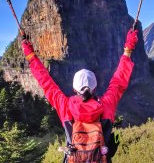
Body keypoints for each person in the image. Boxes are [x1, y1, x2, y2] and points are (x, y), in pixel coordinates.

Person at [21, 28, 138, 162]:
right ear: (94, 87)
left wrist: (31, 56)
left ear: (74, 88)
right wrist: (128, 50)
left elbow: (46, 82)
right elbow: (118, 82)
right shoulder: (106, 104)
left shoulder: (64, 105)